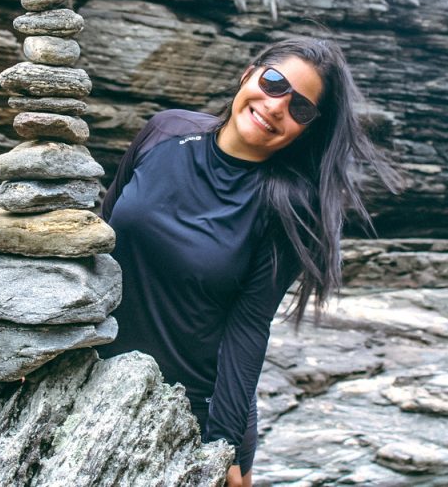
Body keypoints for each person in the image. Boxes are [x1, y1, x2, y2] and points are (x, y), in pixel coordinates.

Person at [96, 37, 400, 486]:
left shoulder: (290, 206)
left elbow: (248, 328)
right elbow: (97, 238)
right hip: (91, 370)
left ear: (307, 128)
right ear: (248, 74)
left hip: (187, 408)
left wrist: (225, 446)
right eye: (274, 82)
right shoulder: (164, 131)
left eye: (301, 108)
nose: (277, 106)